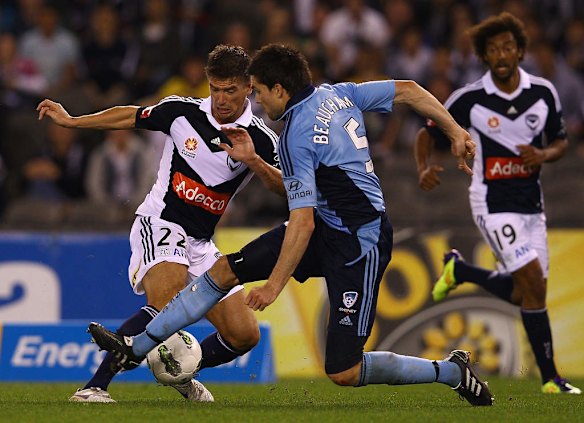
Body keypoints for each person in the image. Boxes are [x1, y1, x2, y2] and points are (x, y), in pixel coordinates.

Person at [88, 43, 493, 407]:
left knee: (344, 371)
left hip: (359, 242)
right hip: (328, 226)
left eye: (259, 93)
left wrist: (273, 285)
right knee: (224, 269)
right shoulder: (338, 92)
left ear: (279, 89)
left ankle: (451, 372)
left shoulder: (294, 137)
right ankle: (137, 346)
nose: (259, 103)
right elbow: (407, 88)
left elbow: (301, 222)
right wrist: (455, 130)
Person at [37, 45, 283, 403]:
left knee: (244, 335)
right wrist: (74, 121)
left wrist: (255, 162)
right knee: (166, 298)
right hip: (161, 221)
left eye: (230, 90)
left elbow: (287, 190)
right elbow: (130, 116)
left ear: (249, 87)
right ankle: (93, 387)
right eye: (215, 88)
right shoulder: (181, 112)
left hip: (201, 242)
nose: (221, 98)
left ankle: (181, 371)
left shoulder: (261, 139)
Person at [414, 12, 581, 395]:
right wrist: (424, 167)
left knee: (526, 293)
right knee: (535, 285)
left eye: (508, 47)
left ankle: (461, 271)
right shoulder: (470, 99)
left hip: (532, 208)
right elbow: (427, 130)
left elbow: (561, 141)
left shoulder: (543, 93)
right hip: (491, 202)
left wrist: (544, 155)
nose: (501, 54)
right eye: (493, 49)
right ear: (484, 57)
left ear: (520, 51)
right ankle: (552, 380)